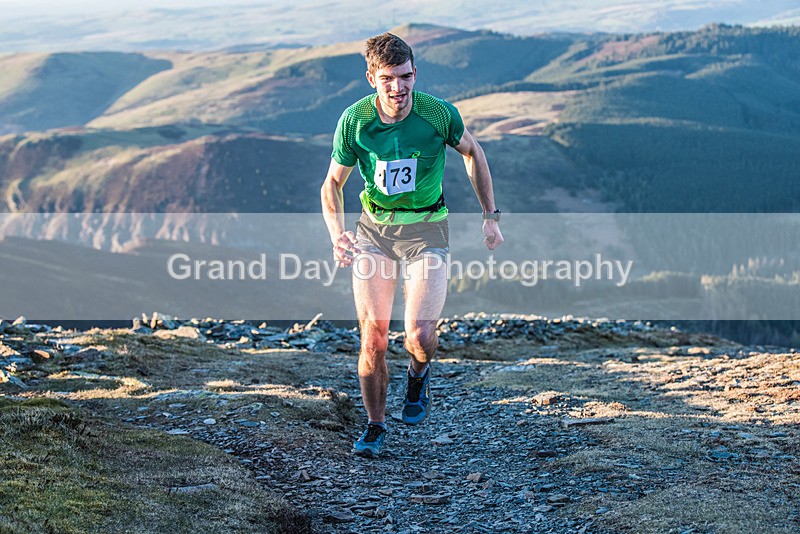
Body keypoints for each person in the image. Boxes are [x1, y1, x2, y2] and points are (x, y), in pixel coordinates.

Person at [320, 32, 503, 458]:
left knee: (419, 334)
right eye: (387, 78)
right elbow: (332, 182)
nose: (398, 88)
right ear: (371, 78)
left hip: (427, 229)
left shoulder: (437, 114)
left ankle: (419, 373)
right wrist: (336, 234)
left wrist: (490, 218)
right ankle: (375, 425)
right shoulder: (355, 121)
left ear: (414, 74)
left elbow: (473, 152)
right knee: (373, 338)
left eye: (405, 77)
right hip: (374, 232)